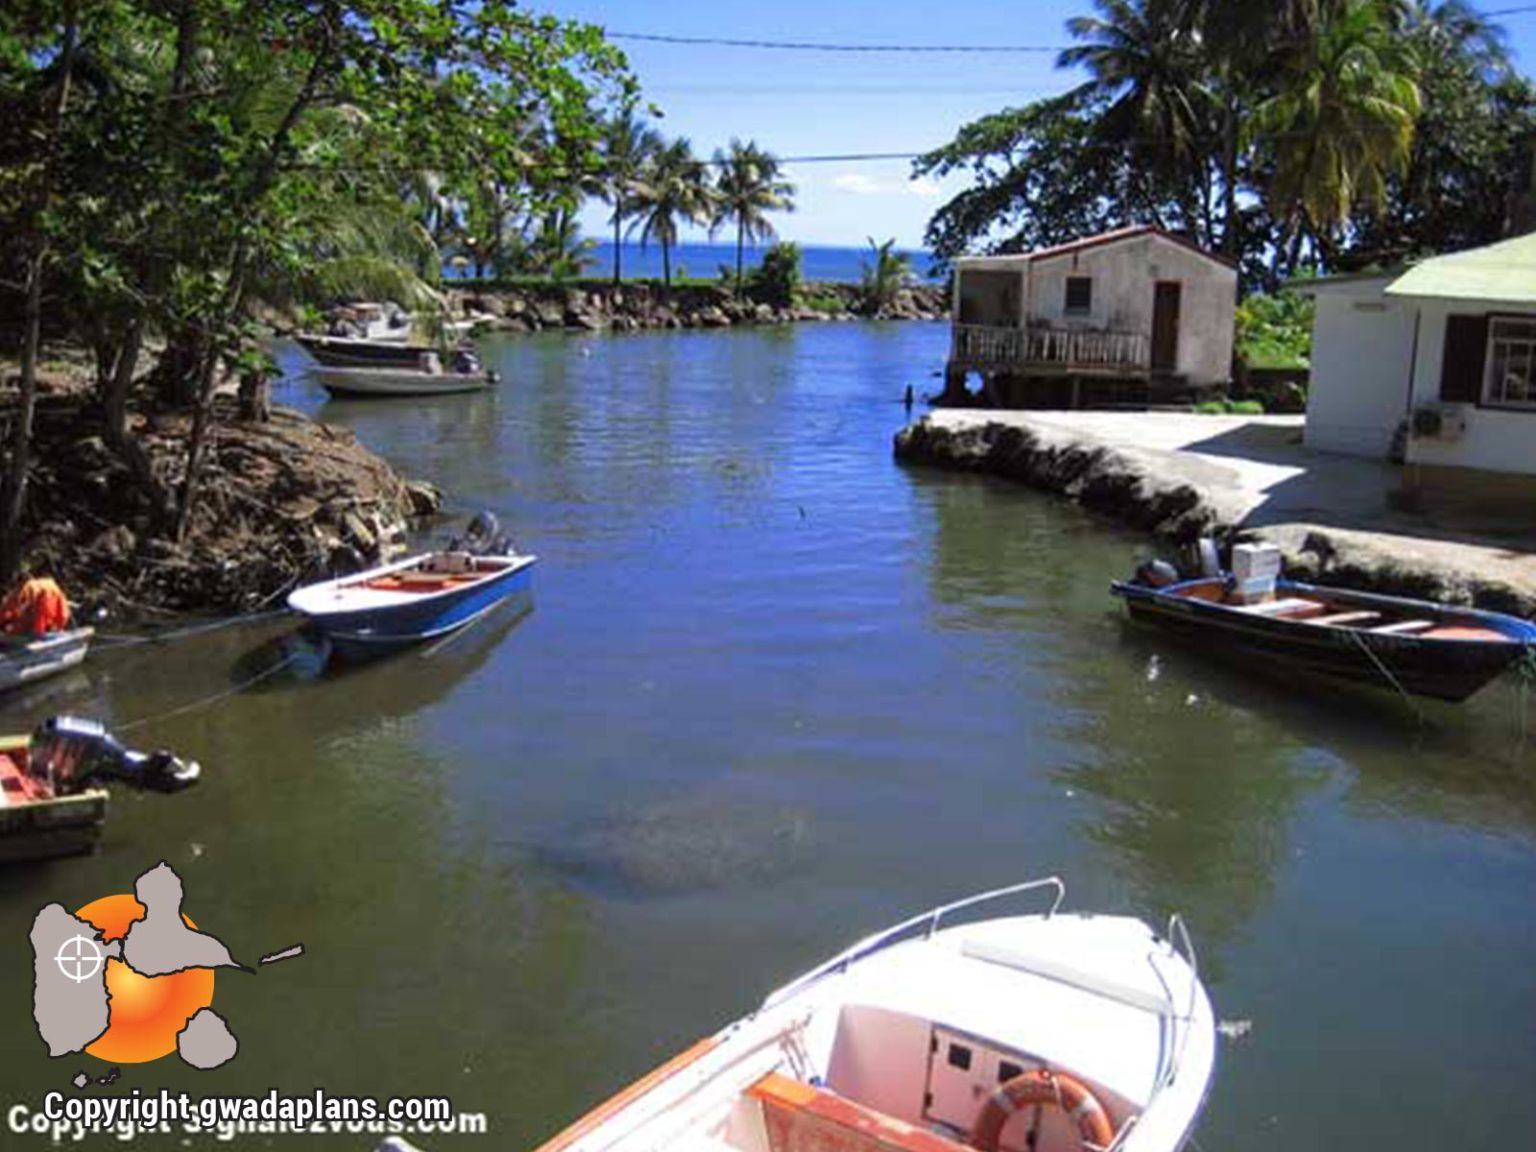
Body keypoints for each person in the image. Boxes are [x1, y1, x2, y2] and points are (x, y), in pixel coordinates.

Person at [0, 565, 72, 637]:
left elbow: (26, 609)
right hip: (52, 596)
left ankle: (43, 634)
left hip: (46, 601)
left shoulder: (26, 589)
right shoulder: (33, 586)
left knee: (37, 625)